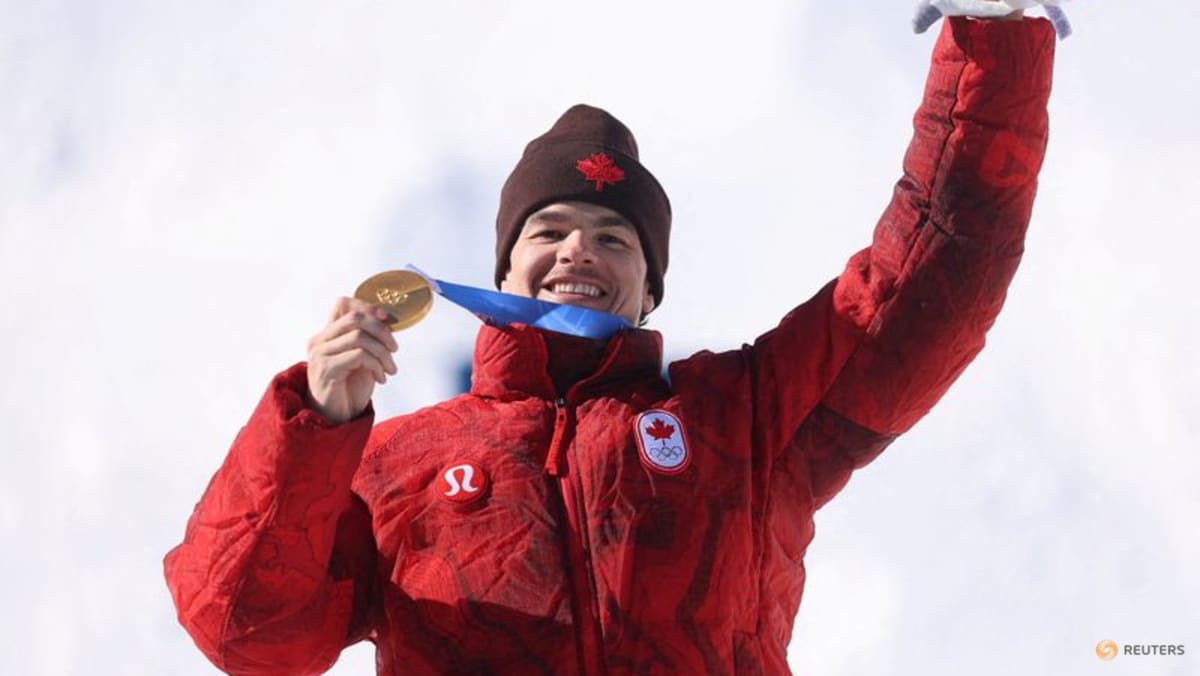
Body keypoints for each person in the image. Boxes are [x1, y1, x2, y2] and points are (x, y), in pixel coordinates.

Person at [165, 9, 1057, 675]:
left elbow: (925, 285)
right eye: (548, 229)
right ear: (504, 270)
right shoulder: (393, 464)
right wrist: (314, 423)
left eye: (614, 237)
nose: (579, 250)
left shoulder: (743, 420)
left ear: (648, 290)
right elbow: (244, 629)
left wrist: (994, 39)